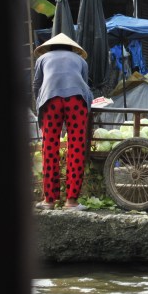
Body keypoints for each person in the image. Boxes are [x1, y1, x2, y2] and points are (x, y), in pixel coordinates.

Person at [32, 33, 94, 211]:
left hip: (50, 101)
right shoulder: (80, 60)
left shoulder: (42, 58)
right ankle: (71, 202)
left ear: (51, 47)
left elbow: (37, 85)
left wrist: (40, 106)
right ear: (72, 48)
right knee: (76, 147)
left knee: (49, 147)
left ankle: (49, 201)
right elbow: (86, 86)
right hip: (76, 101)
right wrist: (89, 105)